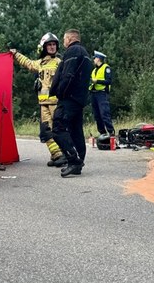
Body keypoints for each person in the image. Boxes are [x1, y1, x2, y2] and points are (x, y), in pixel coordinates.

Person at [10, 33, 67, 167]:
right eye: (49, 45)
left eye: (54, 45)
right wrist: (16, 54)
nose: (52, 47)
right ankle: (57, 154)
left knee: (59, 130)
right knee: (46, 131)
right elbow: (28, 63)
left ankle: (65, 154)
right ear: (44, 47)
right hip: (43, 104)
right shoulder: (40, 63)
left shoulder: (59, 63)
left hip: (56, 103)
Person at [50, 29, 93, 177]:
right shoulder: (85, 54)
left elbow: (67, 76)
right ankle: (78, 162)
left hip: (69, 98)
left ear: (69, 38)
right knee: (75, 131)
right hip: (79, 99)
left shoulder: (73, 51)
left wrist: (61, 93)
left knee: (57, 128)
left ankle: (73, 160)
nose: (63, 42)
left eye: (64, 39)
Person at [90, 51, 115, 137]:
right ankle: (102, 133)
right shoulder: (94, 70)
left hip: (102, 94)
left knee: (104, 113)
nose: (93, 59)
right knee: (97, 115)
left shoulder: (106, 68)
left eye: (95, 58)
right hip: (93, 94)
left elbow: (109, 81)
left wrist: (97, 81)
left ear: (98, 59)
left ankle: (111, 132)